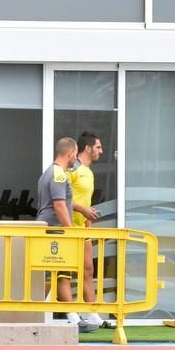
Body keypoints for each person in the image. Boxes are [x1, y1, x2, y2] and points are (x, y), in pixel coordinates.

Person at [36, 137, 97, 333]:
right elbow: (60, 204)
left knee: (60, 275)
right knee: (52, 275)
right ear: (70, 153)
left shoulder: (50, 172)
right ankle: (29, 311)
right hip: (55, 230)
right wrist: (70, 231)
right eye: (75, 154)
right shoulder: (58, 174)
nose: (75, 159)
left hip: (53, 229)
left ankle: (72, 318)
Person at [67, 132, 108, 329]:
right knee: (61, 273)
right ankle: (68, 313)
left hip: (83, 229)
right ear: (88, 148)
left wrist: (87, 217)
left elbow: (84, 200)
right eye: (98, 147)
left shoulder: (89, 173)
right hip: (67, 228)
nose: (101, 151)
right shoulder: (73, 168)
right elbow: (61, 198)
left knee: (88, 270)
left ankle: (92, 314)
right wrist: (82, 209)